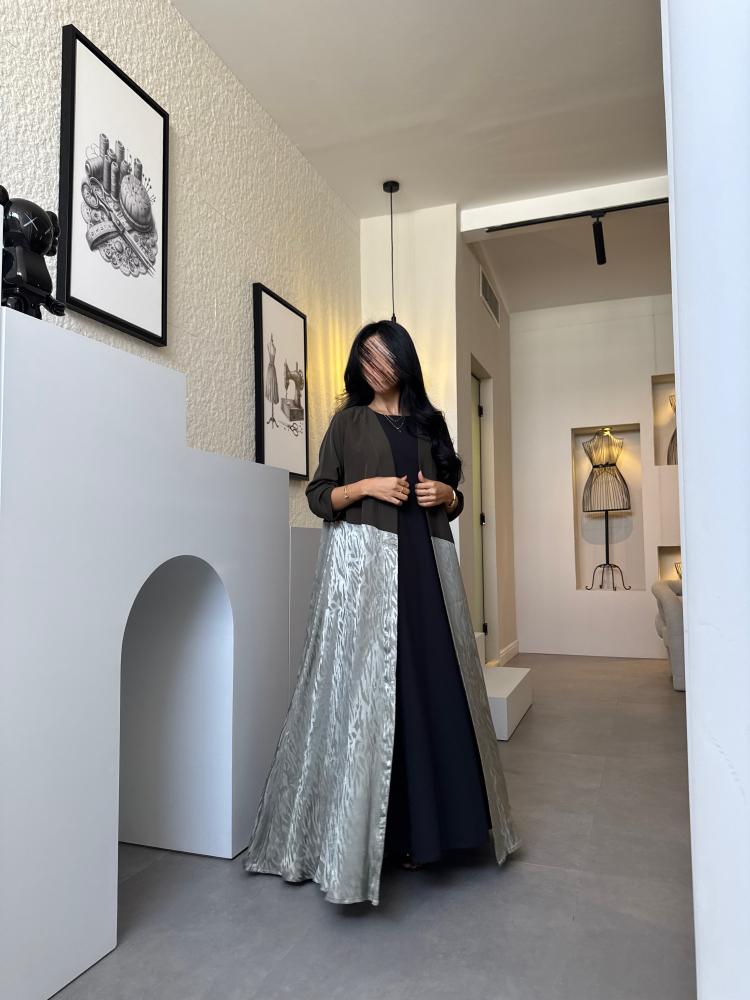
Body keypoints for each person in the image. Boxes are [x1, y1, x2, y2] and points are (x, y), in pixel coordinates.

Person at [244, 320, 519, 905]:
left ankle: (440, 833)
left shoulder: (430, 423)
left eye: (384, 356)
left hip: (428, 572)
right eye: (365, 357)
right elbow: (319, 496)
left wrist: (448, 496)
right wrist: (367, 485)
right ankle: (376, 841)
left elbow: (453, 490)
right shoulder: (347, 423)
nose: (374, 367)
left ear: (403, 361)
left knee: (432, 689)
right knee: (375, 694)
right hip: (368, 574)